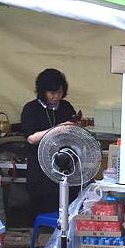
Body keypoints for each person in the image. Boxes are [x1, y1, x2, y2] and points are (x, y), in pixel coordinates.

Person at [21, 68, 79, 216]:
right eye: (52, 93)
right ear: (42, 91)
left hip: (65, 167)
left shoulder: (66, 107)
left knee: (70, 202)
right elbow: (31, 138)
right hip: (40, 170)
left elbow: (74, 130)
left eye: (59, 92)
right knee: (44, 207)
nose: (56, 96)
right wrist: (58, 128)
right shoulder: (31, 108)